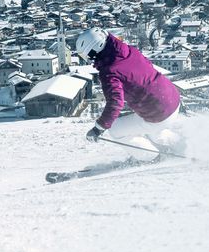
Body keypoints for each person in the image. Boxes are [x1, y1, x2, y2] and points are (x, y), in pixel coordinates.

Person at [76, 29, 184, 158]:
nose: (89, 59)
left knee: (116, 130)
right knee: (142, 124)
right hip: (172, 99)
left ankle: (150, 157)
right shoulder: (128, 50)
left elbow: (115, 103)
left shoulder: (109, 71)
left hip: (159, 113)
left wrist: (98, 128)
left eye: (87, 55)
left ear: (95, 50)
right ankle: (179, 145)